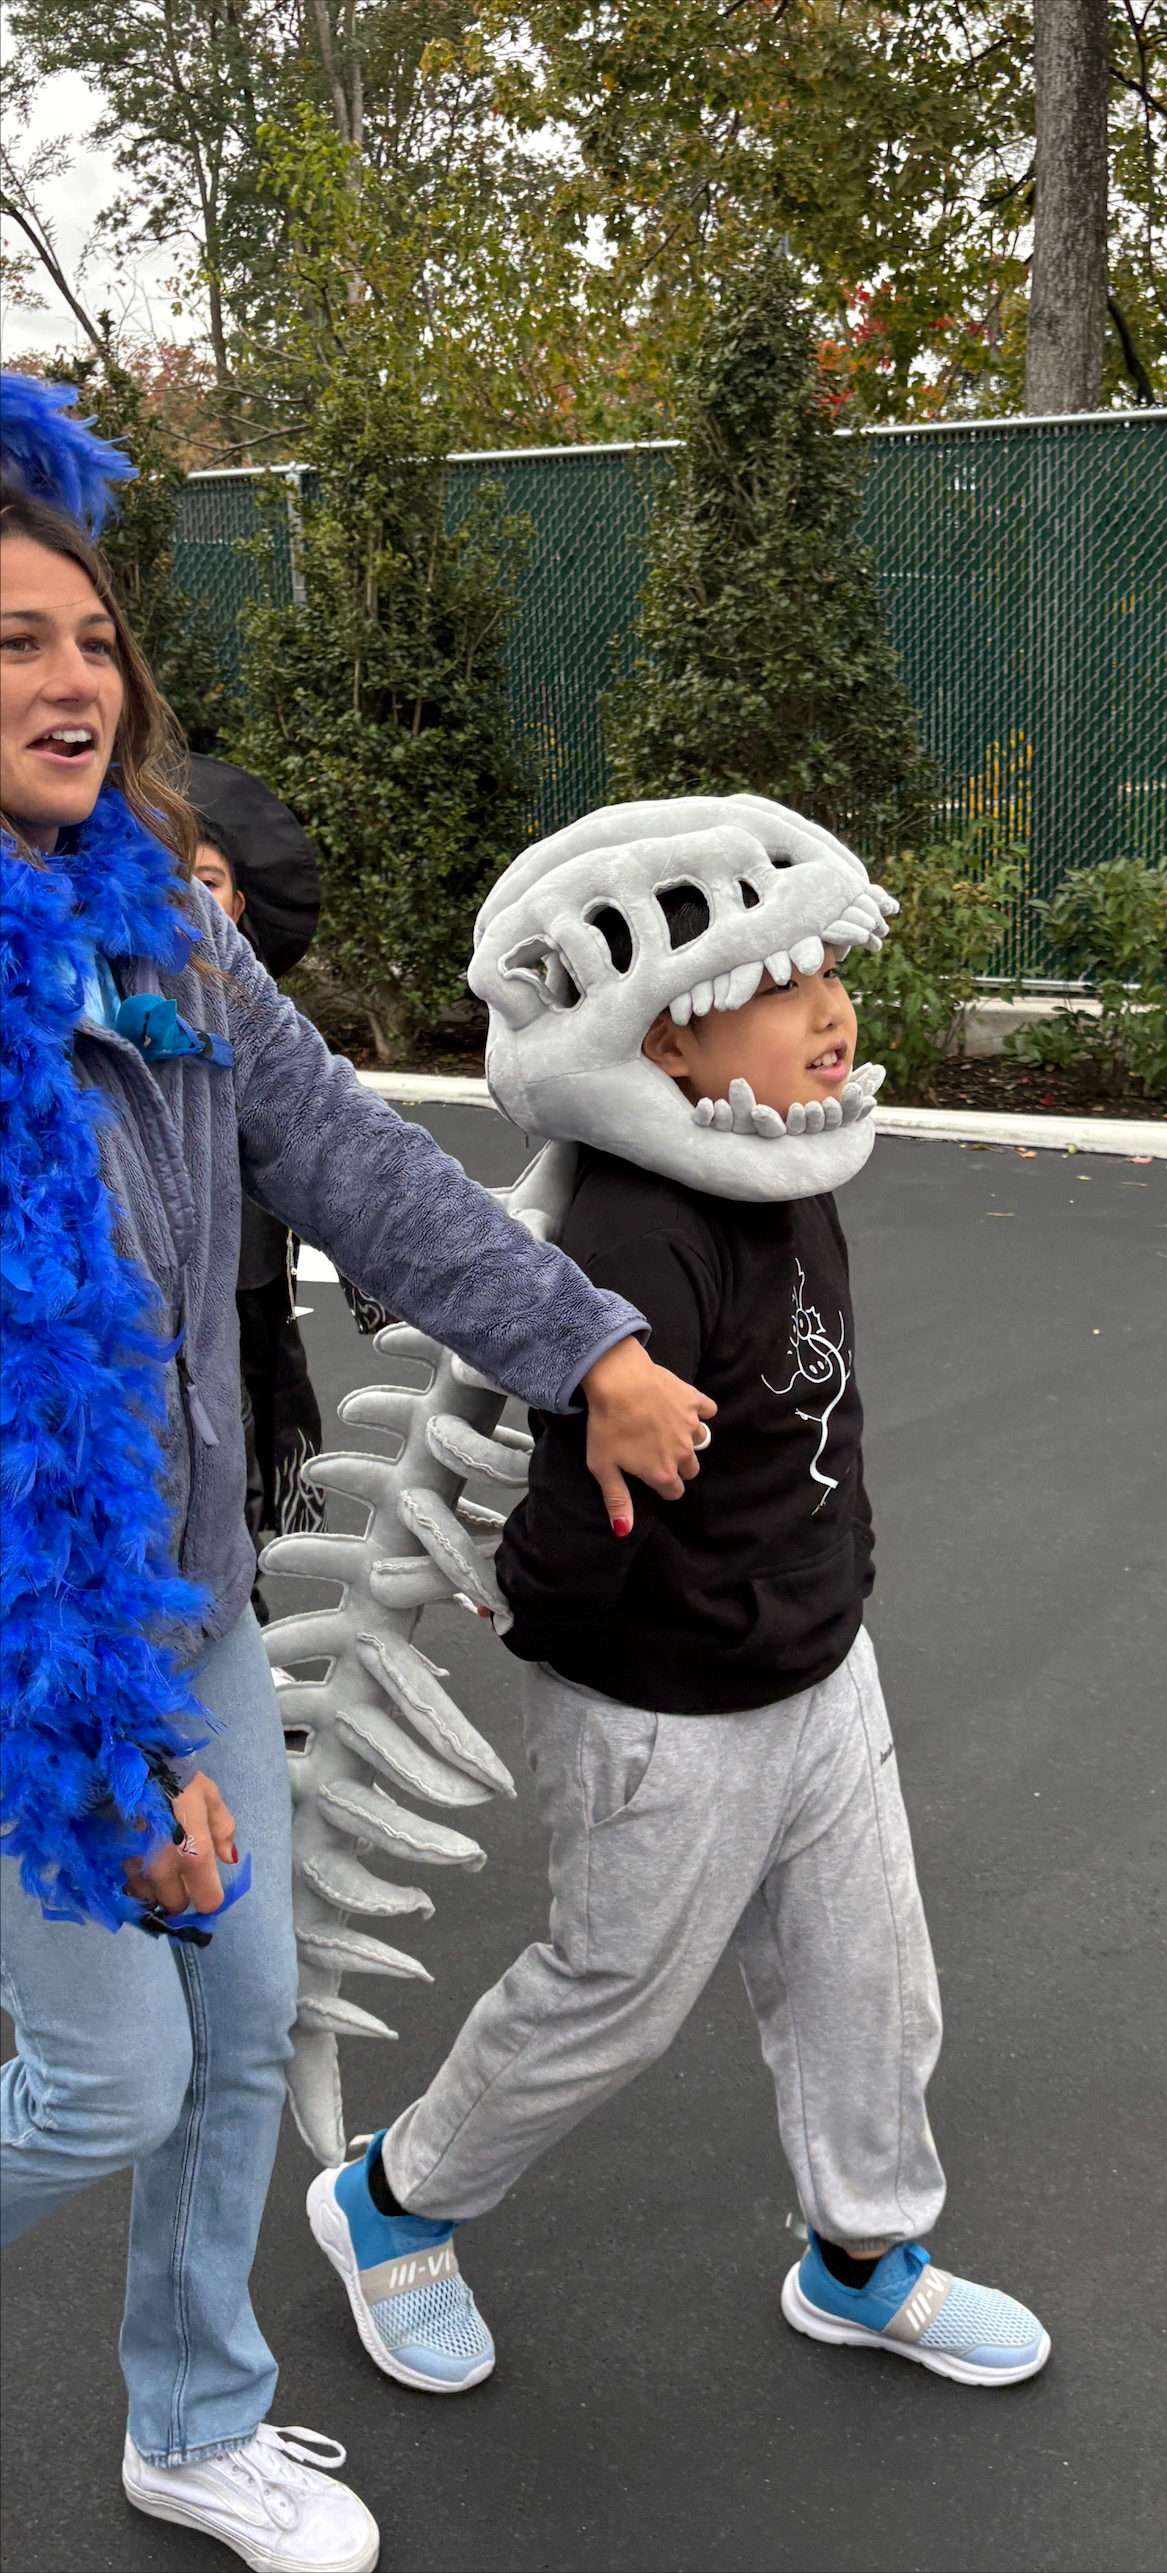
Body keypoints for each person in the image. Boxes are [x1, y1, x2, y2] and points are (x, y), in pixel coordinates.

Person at [0, 377, 714, 2573]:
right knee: (107, 2073)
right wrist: (119, 1757)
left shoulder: (167, 930)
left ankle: (195, 2417)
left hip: (191, 1588)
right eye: (12, 639)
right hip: (37, 1643)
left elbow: (358, 1165)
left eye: (91, 637)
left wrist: (587, 1341)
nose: (69, 676)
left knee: (241, 2025)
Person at [306, 796, 1051, 2400]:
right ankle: (394, 2200)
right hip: (665, 1704)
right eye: (785, 990)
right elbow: (588, 1503)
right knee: (613, 1997)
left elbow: (812, 1421)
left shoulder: (782, 1162)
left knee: (870, 1980)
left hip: (818, 1665)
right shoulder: (645, 1232)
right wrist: (560, 1630)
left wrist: (836, 1585)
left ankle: (861, 2256)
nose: (832, 1011)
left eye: (832, 976)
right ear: (667, 1047)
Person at [187, 767, 328, 1583]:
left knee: (273, 1397)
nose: (190, 898)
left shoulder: (264, 1017)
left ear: (237, 904)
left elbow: (330, 1139)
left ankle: (268, 1568)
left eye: (207, 882)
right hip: (172, 1274)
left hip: (253, 1260)